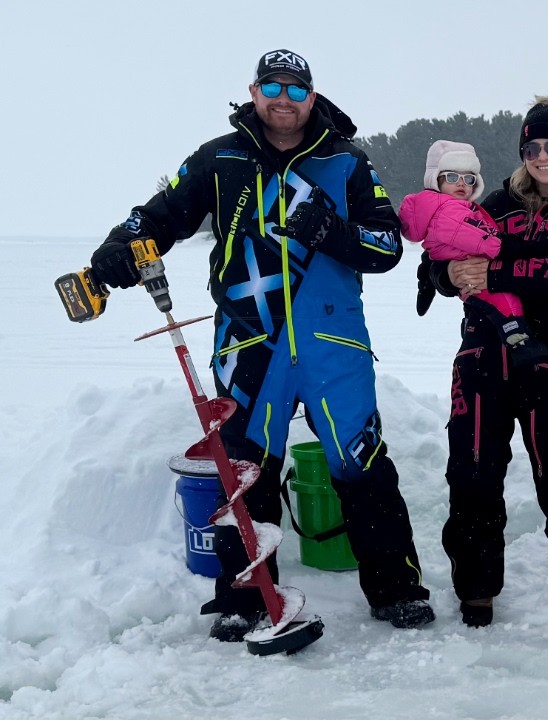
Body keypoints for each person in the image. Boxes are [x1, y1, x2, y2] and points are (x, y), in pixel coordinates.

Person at [88, 49, 435, 640]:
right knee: (245, 469)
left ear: (311, 96)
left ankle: (397, 589)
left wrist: (330, 230)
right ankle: (246, 597)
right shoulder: (217, 158)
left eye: (296, 89)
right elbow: (159, 215)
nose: (283, 99)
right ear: (253, 92)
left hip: (332, 341)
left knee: (362, 463)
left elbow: (386, 247)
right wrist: (121, 246)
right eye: (271, 87)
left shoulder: (346, 161)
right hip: (248, 341)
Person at [424, 96, 548, 627]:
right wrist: (450, 277)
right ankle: (476, 590)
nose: (541, 156)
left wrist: (497, 273)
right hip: (482, 361)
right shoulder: (494, 204)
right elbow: (438, 257)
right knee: (472, 477)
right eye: (531, 147)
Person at [400, 140, 548, 368]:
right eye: (452, 177)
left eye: (468, 179)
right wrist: (506, 247)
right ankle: (520, 342)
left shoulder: (455, 207)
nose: (461, 184)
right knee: (505, 305)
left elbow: (430, 255)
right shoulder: (453, 209)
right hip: (478, 295)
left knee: (503, 304)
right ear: (435, 179)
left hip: (490, 294)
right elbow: (475, 237)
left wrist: (429, 280)